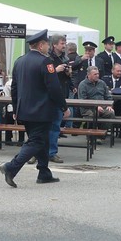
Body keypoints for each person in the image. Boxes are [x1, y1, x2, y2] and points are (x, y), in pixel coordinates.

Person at [0, 29, 68, 188]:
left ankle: (44, 172)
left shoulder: (19, 61)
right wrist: (63, 106)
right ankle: (11, 167)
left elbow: (14, 88)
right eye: (47, 45)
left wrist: (16, 109)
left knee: (41, 140)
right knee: (37, 141)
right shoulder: (46, 62)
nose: (48, 48)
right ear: (41, 45)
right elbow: (54, 88)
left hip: (24, 110)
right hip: (42, 111)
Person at [47, 34, 73, 163]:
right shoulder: (47, 58)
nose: (64, 45)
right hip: (47, 97)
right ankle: (37, 152)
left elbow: (67, 79)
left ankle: (52, 152)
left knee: (56, 127)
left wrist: (68, 73)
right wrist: (55, 70)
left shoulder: (65, 58)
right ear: (55, 45)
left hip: (60, 95)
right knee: (43, 127)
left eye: (65, 43)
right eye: (62, 43)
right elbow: (44, 76)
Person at [2, 77, 25, 146]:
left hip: (22, 107)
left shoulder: (25, 82)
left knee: (22, 118)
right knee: (9, 114)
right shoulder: (8, 84)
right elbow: (5, 97)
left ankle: (21, 139)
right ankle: (8, 138)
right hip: (10, 105)